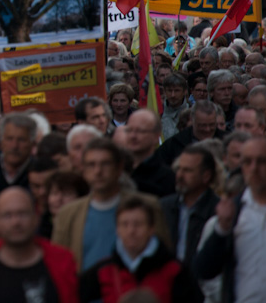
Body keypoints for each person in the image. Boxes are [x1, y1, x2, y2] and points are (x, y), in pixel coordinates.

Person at [53, 139, 168, 271]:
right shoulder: (68, 214)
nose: (98, 171)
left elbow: (165, 258)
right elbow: (58, 264)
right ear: (83, 169)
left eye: (105, 164)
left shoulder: (148, 206)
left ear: (119, 168)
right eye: (91, 165)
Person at [194, 136, 266, 303]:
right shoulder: (233, 211)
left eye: (262, 161)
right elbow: (204, 270)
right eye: (247, 162)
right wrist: (222, 229)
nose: (254, 168)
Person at [79, 195, 203, 303]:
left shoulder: (174, 270)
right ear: (117, 229)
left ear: (151, 228)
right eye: (124, 224)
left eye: (138, 224)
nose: (131, 231)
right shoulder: (104, 270)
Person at [0, 187, 79, 303]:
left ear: (36, 218)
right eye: (7, 215)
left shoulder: (62, 261)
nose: (16, 222)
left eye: (23, 214)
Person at [160, 144, 220, 269]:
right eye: (179, 169)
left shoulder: (218, 210)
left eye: (187, 170)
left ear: (206, 176)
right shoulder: (164, 207)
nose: (180, 175)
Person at [124, 110, 175, 198]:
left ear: (156, 136)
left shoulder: (167, 178)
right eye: (129, 130)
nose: (133, 136)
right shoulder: (116, 170)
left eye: (140, 131)